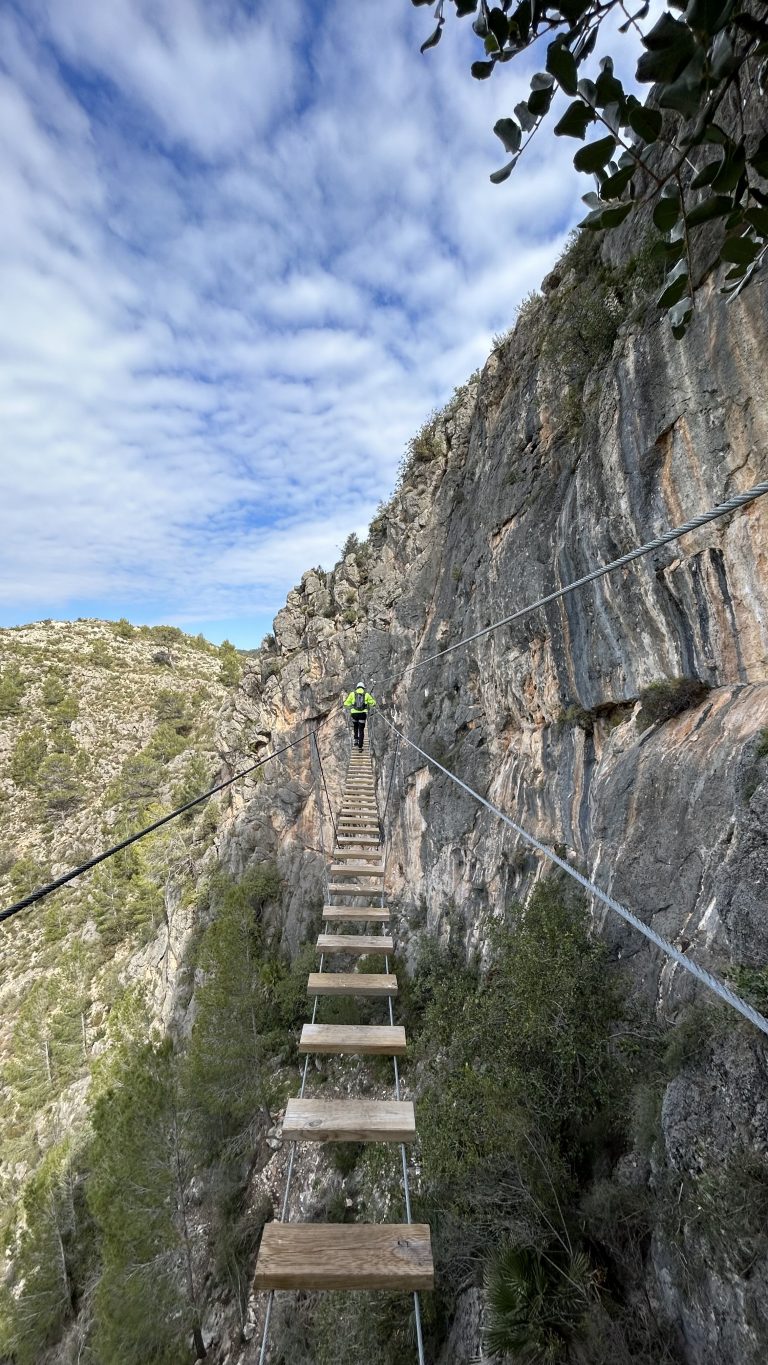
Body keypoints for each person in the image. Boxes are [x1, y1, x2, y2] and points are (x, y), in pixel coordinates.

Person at [343, 682, 376, 749]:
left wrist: (351, 707)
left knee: (355, 726)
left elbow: (346, 703)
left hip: (354, 714)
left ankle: (356, 741)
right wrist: (372, 704)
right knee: (361, 729)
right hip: (362, 714)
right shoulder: (366, 694)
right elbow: (373, 703)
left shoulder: (352, 694)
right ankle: (360, 746)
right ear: (363, 688)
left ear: (357, 688)